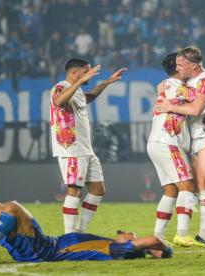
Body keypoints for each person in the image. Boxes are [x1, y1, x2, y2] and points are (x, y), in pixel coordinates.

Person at [0, 200, 173, 264]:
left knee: (11, 207)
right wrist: (153, 249)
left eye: (132, 235)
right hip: (43, 244)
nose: (128, 233)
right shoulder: (111, 245)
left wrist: (155, 249)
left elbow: (156, 240)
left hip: (43, 251)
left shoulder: (117, 250)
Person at [156, 46, 205, 246]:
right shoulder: (191, 81)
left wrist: (169, 106)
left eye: (181, 65)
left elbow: (196, 108)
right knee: (201, 187)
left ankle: (203, 235)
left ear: (193, 65)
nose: (178, 68)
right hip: (198, 137)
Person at [50, 58, 126, 234]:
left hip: (85, 148)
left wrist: (107, 82)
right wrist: (80, 83)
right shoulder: (60, 87)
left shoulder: (76, 90)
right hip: (72, 148)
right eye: (87, 72)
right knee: (74, 190)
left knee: (98, 189)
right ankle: (69, 236)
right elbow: (59, 101)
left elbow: (88, 97)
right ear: (74, 73)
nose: (90, 75)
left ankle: (80, 230)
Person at [147, 52, 200, 247]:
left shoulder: (166, 85)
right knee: (187, 187)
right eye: (184, 63)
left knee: (171, 191)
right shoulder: (179, 88)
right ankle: (183, 234)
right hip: (167, 142)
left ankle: (158, 236)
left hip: (156, 142)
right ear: (178, 68)